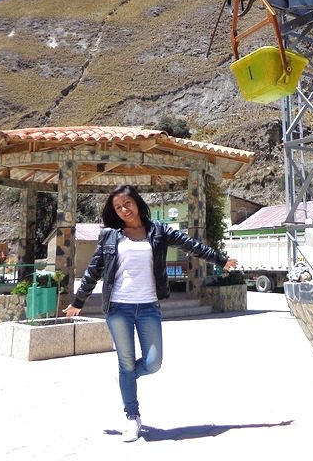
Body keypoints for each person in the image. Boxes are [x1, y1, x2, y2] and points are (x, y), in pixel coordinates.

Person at [63, 185, 237, 442]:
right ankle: (132, 416)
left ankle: (127, 378)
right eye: (118, 207)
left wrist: (220, 260)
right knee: (125, 360)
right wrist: (78, 301)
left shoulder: (159, 230)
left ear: (137, 202)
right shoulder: (111, 235)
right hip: (118, 308)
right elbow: (93, 269)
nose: (124, 210)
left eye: (127, 204)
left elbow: (191, 245)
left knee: (153, 362)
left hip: (148, 307)